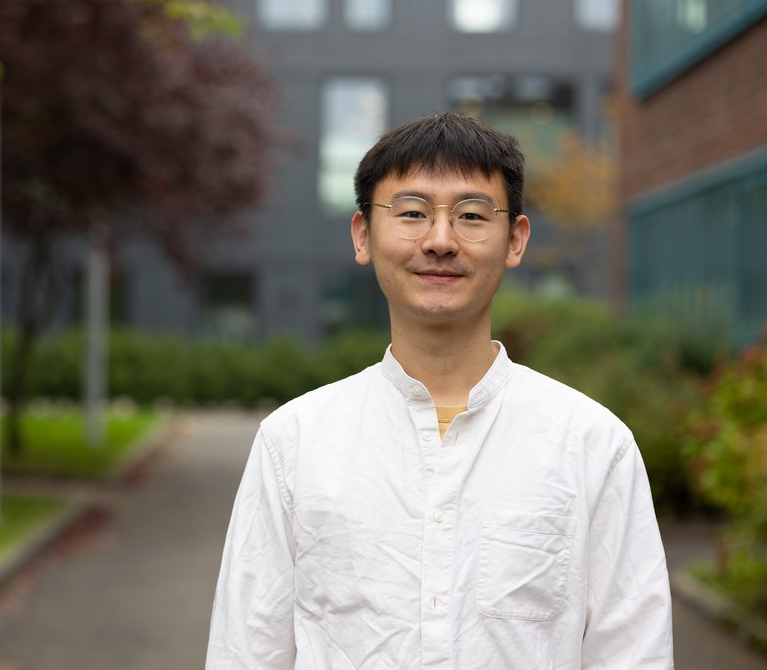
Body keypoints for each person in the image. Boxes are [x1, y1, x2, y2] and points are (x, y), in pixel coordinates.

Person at [204, 112, 674, 669]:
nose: (441, 241)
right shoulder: (295, 442)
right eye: (412, 213)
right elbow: (245, 651)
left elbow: (633, 654)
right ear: (362, 234)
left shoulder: (593, 444)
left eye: (472, 215)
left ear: (516, 240)